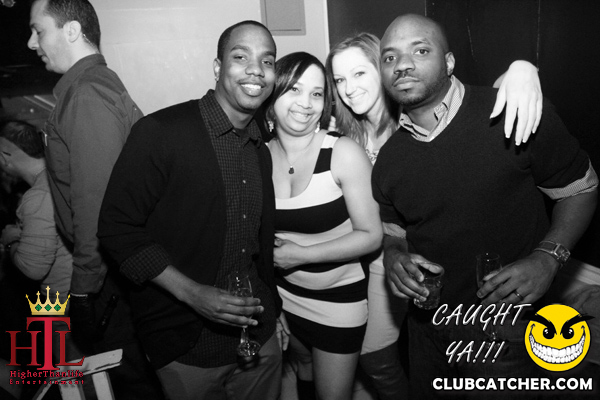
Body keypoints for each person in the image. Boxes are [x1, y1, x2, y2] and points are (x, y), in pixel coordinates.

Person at [372, 13, 598, 398]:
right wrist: (394, 256)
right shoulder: (389, 158)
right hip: (426, 328)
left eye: (420, 51)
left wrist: (548, 257)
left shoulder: (511, 112)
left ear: (449, 62)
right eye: (390, 57)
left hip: (507, 328)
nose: (402, 64)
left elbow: (581, 189)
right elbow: (394, 229)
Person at [325, 33, 544, 399]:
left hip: (419, 262)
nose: (349, 89)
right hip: (367, 259)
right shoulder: (344, 131)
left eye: (359, 73)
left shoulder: (420, 113)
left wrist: (523, 69)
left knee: (377, 352)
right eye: (339, 79)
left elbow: (486, 106)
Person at [98, 20, 287, 400]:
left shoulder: (260, 151)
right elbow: (116, 229)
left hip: (260, 338)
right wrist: (193, 293)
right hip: (185, 347)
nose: (256, 69)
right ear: (218, 67)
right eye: (241, 57)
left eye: (267, 61)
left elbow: (257, 248)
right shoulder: (161, 132)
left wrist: (274, 309)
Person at [26, 0, 160, 398]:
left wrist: (84, 288)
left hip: (110, 278)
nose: (32, 43)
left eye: (38, 30)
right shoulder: (93, 86)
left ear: (71, 31)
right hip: (118, 271)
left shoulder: (86, 94)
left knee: (130, 383)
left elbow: (96, 206)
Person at [266, 52, 383, 400]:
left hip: (338, 303)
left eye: (316, 93)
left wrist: (301, 255)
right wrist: (271, 304)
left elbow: (371, 235)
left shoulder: (342, 152)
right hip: (285, 298)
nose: (306, 103)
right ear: (273, 95)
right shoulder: (256, 155)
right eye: (295, 90)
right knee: (302, 374)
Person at [0, 120, 78, 361]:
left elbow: (33, 268)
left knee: (73, 373)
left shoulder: (39, 195)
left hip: (62, 304)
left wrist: (12, 240)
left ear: (4, 156)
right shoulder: (65, 176)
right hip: (82, 294)